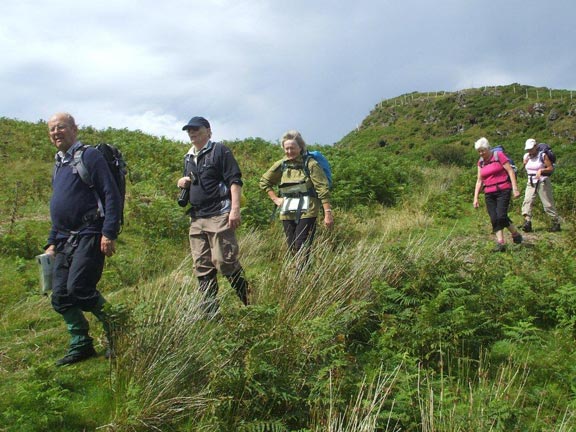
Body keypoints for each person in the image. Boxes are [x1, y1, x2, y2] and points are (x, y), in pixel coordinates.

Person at [44, 113, 121, 366]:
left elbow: (110, 193)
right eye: (52, 129)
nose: (56, 132)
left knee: (80, 289)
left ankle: (118, 331)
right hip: (65, 238)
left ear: (74, 129)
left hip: (90, 233)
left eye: (61, 127)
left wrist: (109, 232)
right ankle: (81, 344)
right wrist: (52, 241)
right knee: (60, 297)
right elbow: (59, 208)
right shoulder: (59, 163)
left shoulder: (88, 156)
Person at [177, 116, 249, 314]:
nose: (192, 133)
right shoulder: (188, 157)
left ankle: (250, 304)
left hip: (219, 213)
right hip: (196, 217)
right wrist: (183, 182)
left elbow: (234, 180)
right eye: (189, 130)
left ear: (208, 130)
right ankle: (210, 314)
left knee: (225, 261)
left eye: (196, 129)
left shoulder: (220, 151)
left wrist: (234, 209)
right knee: (202, 266)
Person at [259, 130, 334, 265]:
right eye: (286, 148)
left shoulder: (310, 164)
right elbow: (264, 182)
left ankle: (300, 278)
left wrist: (327, 213)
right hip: (287, 211)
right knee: (292, 246)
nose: (289, 151)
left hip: (308, 210)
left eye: (292, 148)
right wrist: (275, 199)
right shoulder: (282, 164)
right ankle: (298, 275)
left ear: (300, 147)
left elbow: (322, 188)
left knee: (301, 245)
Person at [473, 137, 523, 252]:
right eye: (479, 151)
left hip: (503, 190)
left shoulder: (498, 156)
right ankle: (501, 243)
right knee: (494, 218)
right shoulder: (480, 162)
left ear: (488, 148)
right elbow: (479, 180)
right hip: (489, 193)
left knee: (501, 216)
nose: (481, 153)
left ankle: (515, 234)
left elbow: (510, 171)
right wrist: (475, 198)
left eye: (483, 150)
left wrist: (515, 188)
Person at [520, 138, 561, 232]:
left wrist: (541, 170)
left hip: (542, 182)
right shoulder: (526, 156)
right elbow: (525, 168)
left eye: (531, 149)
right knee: (527, 201)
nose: (529, 151)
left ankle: (555, 222)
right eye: (528, 149)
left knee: (547, 204)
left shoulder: (543, 155)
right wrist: (525, 164)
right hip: (530, 182)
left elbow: (550, 168)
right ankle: (527, 222)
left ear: (536, 147)